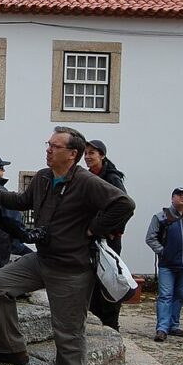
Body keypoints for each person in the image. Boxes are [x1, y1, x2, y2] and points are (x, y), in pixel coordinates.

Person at [0, 127, 135, 365]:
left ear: (72, 154)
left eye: (55, 146)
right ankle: (10, 347)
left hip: (72, 269)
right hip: (43, 259)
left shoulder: (86, 182)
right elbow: (22, 202)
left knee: (69, 335)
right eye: (48, 144)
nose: (48, 150)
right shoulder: (44, 177)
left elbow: (124, 204)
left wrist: (94, 228)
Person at [145, 187, 183, 343]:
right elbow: (151, 238)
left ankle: (173, 325)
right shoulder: (161, 217)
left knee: (179, 296)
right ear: (172, 198)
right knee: (165, 296)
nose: (182, 197)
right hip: (167, 265)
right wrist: (163, 252)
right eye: (179, 195)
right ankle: (162, 329)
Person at [83, 139, 127, 331]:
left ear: (102, 155)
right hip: (91, 238)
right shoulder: (87, 176)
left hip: (108, 239)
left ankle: (111, 322)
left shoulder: (112, 178)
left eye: (92, 153)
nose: (87, 157)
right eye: (85, 153)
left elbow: (124, 207)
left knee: (108, 279)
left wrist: (109, 231)